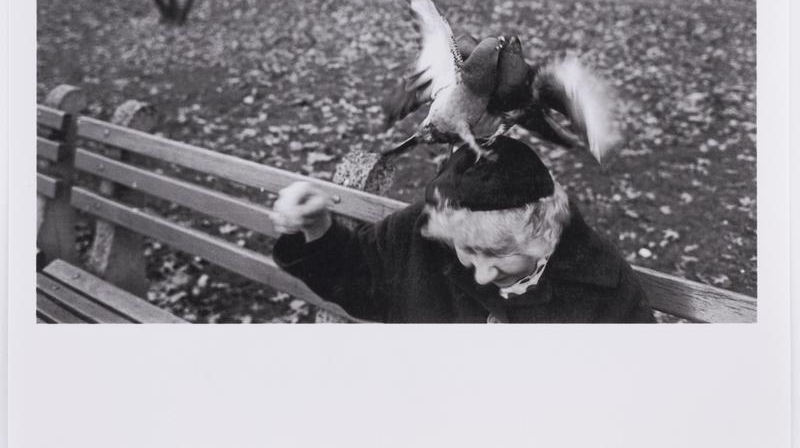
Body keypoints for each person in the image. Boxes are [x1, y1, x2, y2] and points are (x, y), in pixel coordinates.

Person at [272, 137, 655, 323]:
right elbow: (360, 279)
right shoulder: (419, 236)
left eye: (500, 253)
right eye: (468, 250)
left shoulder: (602, 285)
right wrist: (318, 226)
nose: (483, 273)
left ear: (546, 234)